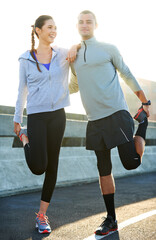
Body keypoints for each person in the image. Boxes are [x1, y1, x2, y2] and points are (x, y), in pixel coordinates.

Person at [69, 10, 151, 236]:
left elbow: (126, 73)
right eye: (81, 22)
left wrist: (145, 101)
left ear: (96, 25)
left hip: (117, 114)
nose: (84, 25)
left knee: (131, 163)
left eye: (89, 22)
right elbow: (74, 86)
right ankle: (111, 219)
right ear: (77, 26)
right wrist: (48, 91)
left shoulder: (108, 48)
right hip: (94, 120)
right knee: (103, 169)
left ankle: (141, 123)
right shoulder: (74, 57)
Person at [13, 15, 78, 234]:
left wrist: (76, 46)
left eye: (56, 28)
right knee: (38, 166)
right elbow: (21, 90)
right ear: (38, 31)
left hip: (58, 115)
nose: (54, 31)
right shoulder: (26, 59)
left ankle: (42, 215)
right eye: (50, 27)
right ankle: (24, 138)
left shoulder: (62, 53)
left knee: (52, 166)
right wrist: (17, 118)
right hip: (37, 116)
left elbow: (79, 47)